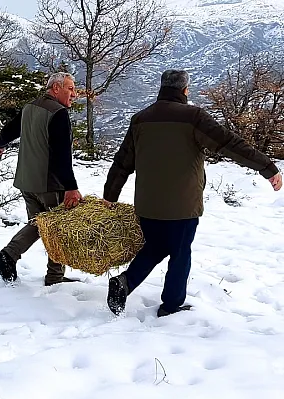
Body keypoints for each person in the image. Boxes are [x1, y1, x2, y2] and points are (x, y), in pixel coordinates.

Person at [103, 69, 282, 317]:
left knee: (155, 247)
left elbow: (122, 162)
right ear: (185, 90)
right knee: (179, 253)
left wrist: (109, 196)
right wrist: (267, 167)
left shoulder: (140, 119)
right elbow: (230, 144)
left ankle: (125, 282)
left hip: (148, 205)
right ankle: (172, 305)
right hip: (182, 205)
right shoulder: (193, 117)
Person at [0, 72, 83, 286]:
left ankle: (10, 254)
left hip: (27, 180)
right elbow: (62, 155)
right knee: (58, 228)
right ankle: (55, 277)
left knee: (39, 225)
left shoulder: (30, 106)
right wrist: (70, 187)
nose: (74, 94)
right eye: (70, 88)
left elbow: (11, 129)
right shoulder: (58, 113)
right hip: (50, 183)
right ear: (56, 88)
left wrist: (0, 144)